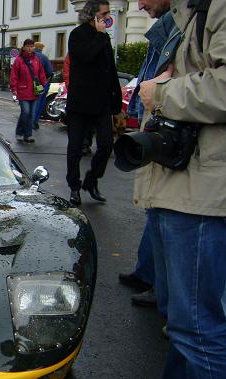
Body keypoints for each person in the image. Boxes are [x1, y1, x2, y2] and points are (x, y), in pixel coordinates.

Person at [115, 0, 226, 379]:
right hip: (180, 186)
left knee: (199, 326)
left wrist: (162, 92)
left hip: (202, 195)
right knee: (181, 321)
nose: (138, 4)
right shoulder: (187, 15)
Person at [118, 0, 177, 311]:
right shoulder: (174, 22)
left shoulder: (181, 24)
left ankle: (166, 297)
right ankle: (150, 275)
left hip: (168, 136)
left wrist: (159, 98)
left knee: (164, 215)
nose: (139, 4)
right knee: (155, 211)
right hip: (158, 130)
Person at [66, 0, 122, 206]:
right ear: (92, 16)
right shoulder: (77, 35)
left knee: (107, 144)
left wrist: (116, 102)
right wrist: (99, 36)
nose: (108, 17)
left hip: (101, 103)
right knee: (75, 148)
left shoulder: (103, 37)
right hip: (80, 103)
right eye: (104, 14)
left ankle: (91, 180)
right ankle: (74, 186)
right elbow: (86, 57)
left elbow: (110, 70)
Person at [10, 39, 47, 143]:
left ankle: (28, 135)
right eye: (28, 46)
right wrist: (14, 88)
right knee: (25, 112)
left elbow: (42, 74)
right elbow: (14, 76)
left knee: (31, 114)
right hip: (23, 91)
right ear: (24, 47)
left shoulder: (36, 60)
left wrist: (43, 84)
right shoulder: (19, 60)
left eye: (32, 46)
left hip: (34, 91)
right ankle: (20, 132)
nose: (30, 48)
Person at [32, 41, 53, 130]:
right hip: (40, 83)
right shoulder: (43, 57)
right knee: (39, 102)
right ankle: (34, 122)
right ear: (41, 48)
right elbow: (49, 71)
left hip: (29, 82)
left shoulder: (29, 56)